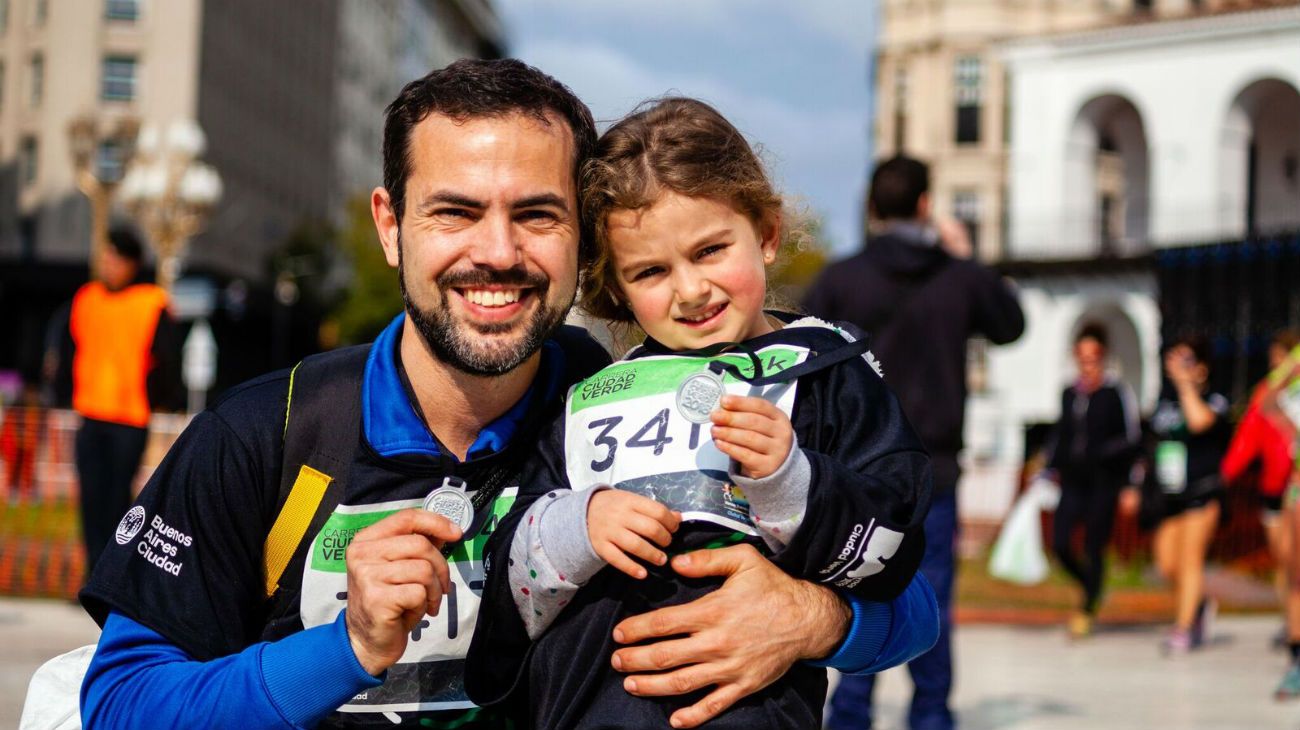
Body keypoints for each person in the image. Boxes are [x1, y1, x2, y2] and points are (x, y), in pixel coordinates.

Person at [77, 60, 935, 730]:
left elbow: (913, 603)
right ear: (389, 224)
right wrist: (346, 647)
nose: (497, 252)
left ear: (583, 240)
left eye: (537, 214)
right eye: (454, 212)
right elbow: (117, 706)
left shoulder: (627, 403)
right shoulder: (267, 432)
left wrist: (813, 620)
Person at [465, 98, 938, 728]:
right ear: (616, 289)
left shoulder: (827, 372)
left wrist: (794, 485)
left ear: (766, 234)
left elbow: (895, 545)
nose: (690, 291)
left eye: (711, 250)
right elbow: (508, 594)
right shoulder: (589, 393)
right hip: (585, 708)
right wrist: (575, 526)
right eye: (651, 270)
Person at [805, 155, 1025, 730]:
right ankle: (930, 716)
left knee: (857, 588)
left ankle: (851, 712)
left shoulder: (842, 278)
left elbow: (802, 353)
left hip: (857, 468)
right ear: (926, 204)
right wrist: (964, 255)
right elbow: (1011, 324)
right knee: (932, 597)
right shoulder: (958, 277)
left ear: (873, 207)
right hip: (936, 468)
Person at [69, 228, 178, 574]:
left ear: (132, 264)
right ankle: (92, 573)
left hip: (129, 417)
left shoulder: (151, 302)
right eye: (106, 257)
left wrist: (160, 398)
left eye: (115, 258)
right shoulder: (87, 298)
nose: (108, 265)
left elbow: (167, 358)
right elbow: (72, 347)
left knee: (118, 500)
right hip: (90, 412)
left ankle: (113, 576)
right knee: (90, 499)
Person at [1043, 324, 1140, 639]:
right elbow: (1062, 436)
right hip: (1072, 481)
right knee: (1060, 543)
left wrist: (1129, 484)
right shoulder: (1069, 394)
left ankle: (1086, 610)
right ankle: (1090, 585)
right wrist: (1047, 469)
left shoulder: (1115, 393)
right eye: (1082, 357)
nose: (1088, 363)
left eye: (1094, 357)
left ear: (1103, 356)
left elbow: (1131, 440)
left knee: (1094, 546)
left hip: (1104, 482)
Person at [1144, 336, 1230, 654]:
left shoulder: (1215, 398)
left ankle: (1183, 628)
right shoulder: (1165, 400)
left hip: (1203, 490)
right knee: (1167, 563)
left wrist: (1186, 386)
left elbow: (1199, 422)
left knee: (1191, 559)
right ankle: (1200, 603)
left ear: (1202, 368)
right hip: (1171, 494)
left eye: (1187, 361)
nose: (1178, 368)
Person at [1221, 330, 1300, 649]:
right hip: (1278, 489)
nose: (1275, 365)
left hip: (1291, 486)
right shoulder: (1273, 393)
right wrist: (1226, 474)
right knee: (1287, 562)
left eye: (1281, 357)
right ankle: (1293, 628)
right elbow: (1251, 432)